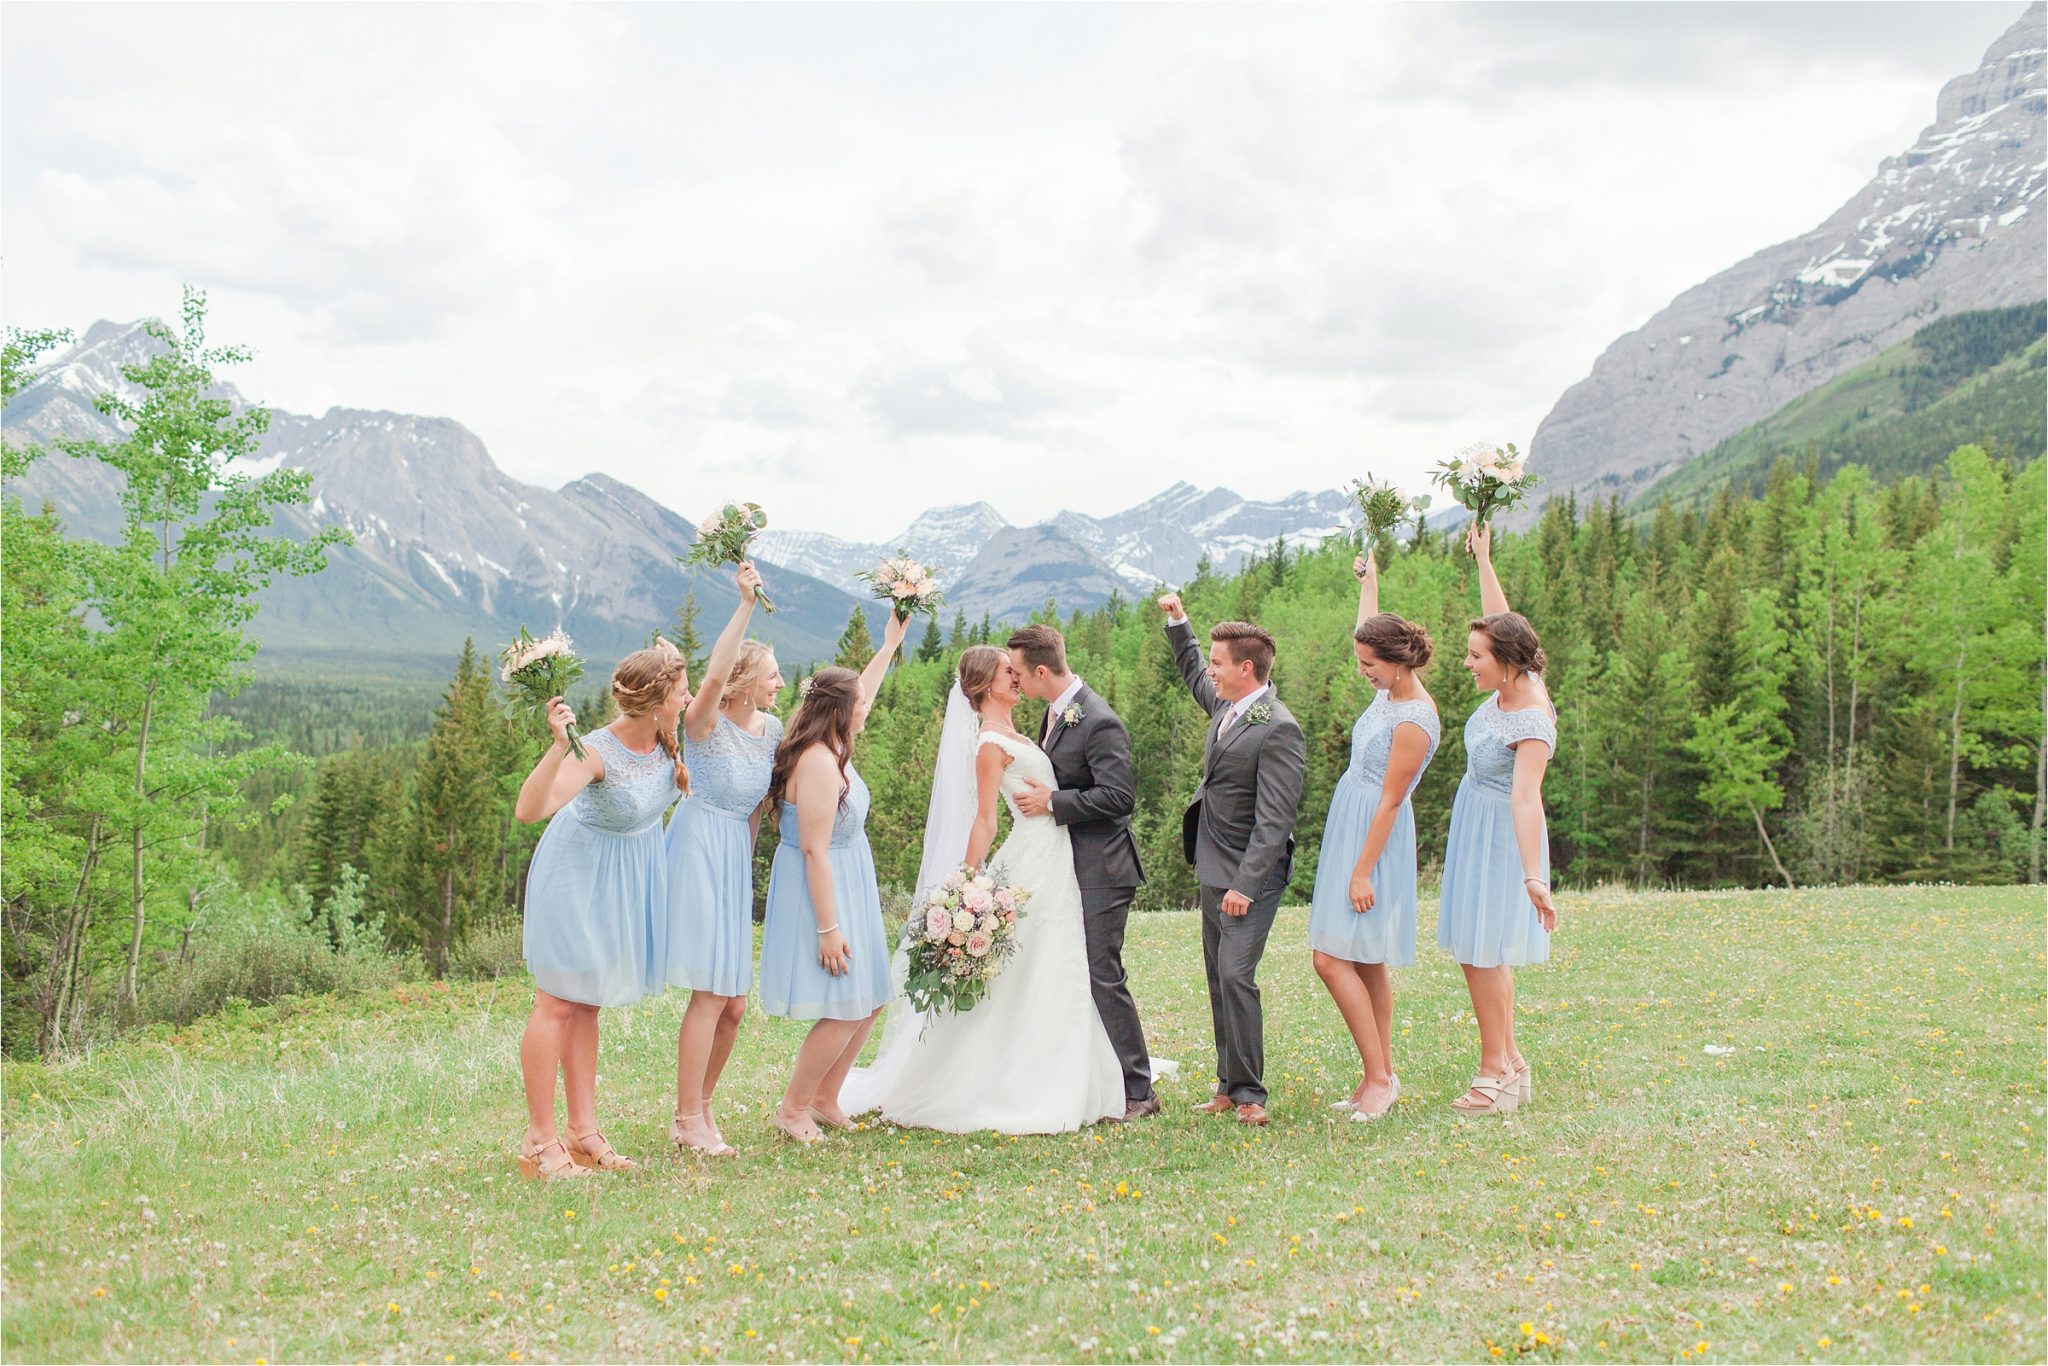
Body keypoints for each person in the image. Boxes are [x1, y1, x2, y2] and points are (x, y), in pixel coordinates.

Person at [837, 646, 1128, 1134]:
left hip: (1055, 858)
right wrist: (966, 884)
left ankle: (1063, 1070)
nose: (1017, 680)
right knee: (1031, 967)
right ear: (983, 686)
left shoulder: (1018, 732)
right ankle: (1011, 1081)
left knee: (1056, 964)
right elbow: (986, 821)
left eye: (1016, 673)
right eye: (1007, 674)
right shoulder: (990, 742)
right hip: (1031, 860)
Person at [513, 643, 690, 1178]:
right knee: (556, 1004)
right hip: (575, 878)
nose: (689, 698)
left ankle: (582, 1132)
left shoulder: (664, 739)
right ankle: (538, 1142)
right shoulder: (594, 752)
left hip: (621, 883)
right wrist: (557, 746)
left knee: (586, 1004)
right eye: (681, 690)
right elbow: (530, 810)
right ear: (659, 701)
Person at [757, 610, 910, 1143]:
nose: (867, 710)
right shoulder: (819, 762)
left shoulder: (836, 743)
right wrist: (829, 929)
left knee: (870, 998)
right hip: (823, 885)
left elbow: (860, 687)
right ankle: (793, 1107)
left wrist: (889, 645)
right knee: (846, 1005)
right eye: (861, 707)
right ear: (840, 713)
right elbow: (814, 851)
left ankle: (826, 1096)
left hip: (851, 875)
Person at [1158, 593, 1306, 1128]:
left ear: (1247, 669)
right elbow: (1194, 672)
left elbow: (1275, 820)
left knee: (1235, 975)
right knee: (1217, 977)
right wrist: (1180, 624)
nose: (1211, 673)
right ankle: (1226, 1085)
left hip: (1250, 878)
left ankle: (1250, 1095)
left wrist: (1245, 885)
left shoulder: (1278, 727)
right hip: (1212, 865)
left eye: (1219, 664)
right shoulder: (1228, 703)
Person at [1307, 550, 1440, 1121]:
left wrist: (1362, 869)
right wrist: (1370, 582)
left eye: (1369, 664)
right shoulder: (1390, 693)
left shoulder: (1414, 719)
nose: (1362, 671)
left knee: (1330, 959)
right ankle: (1375, 1075)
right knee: (1363, 961)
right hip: (1351, 819)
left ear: (1397, 663)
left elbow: (1391, 800)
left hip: (1374, 834)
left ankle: (1381, 1078)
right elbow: (1369, 631)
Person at [1437, 522, 1559, 1116]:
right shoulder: (1518, 672)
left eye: (1476, 656)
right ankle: (1511, 1063)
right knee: (1474, 948)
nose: (1468, 664)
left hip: (1502, 837)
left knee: (1486, 950)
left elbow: (1526, 799)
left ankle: (1495, 1074)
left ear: (1508, 663)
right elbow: (1500, 617)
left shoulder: (1532, 717)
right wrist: (1484, 557)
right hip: (1473, 821)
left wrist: (1534, 876)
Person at [666, 563, 784, 1157]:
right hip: (696, 848)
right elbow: (710, 676)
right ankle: (687, 1119)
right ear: (741, 681)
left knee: (735, 1004)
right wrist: (744, 605)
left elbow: (761, 807)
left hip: (735, 854)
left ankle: (701, 1106)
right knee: (711, 993)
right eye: (771, 675)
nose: (781, 683)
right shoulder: (702, 722)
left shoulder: (773, 730)